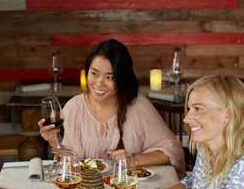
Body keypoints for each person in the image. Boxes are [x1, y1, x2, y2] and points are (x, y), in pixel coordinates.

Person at [39, 39, 184, 174]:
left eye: (110, 77)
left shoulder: (138, 106)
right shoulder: (74, 107)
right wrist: (53, 140)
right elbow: (67, 164)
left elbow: (172, 151)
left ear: (122, 79)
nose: (99, 83)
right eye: (94, 74)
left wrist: (132, 160)